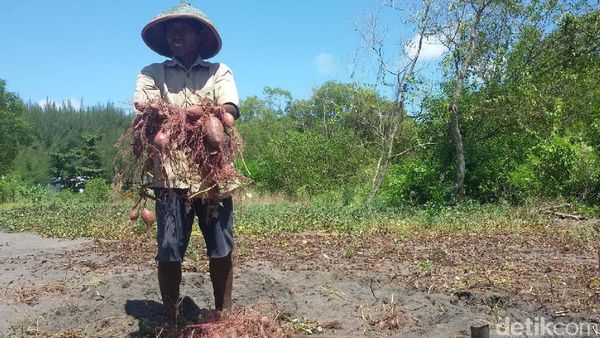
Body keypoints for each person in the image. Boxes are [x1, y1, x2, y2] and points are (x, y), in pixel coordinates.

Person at [133, 1, 239, 326]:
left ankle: (224, 314)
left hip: (212, 175)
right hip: (169, 176)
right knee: (169, 249)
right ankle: (171, 316)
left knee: (221, 248)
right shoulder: (152, 73)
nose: (176, 33)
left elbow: (230, 111)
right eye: (170, 29)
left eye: (183, 28)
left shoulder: (219, 71)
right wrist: (198, 114)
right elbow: (144, 110)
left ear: (199, 34)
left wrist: (212, 118)